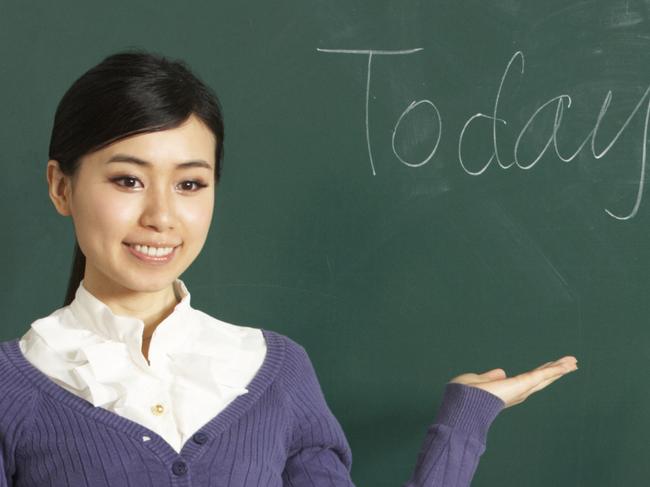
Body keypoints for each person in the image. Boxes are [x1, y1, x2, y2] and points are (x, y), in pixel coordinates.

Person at [0, 49, 578, 487]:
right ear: (61, 186)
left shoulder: (275, 372)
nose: (161, 215)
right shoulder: (12, 386)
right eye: (127, 179)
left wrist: (462, 422)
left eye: (190, 183)